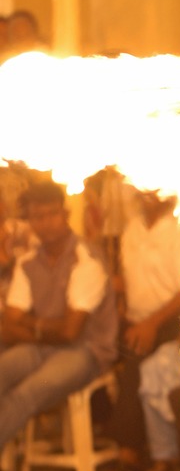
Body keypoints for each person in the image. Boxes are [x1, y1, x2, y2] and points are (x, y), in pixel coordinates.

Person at [0, 182, 117, 451]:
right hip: (42, 347)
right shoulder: (28, 261)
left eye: (52, 214)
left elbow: (71, 332)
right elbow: (9, 325)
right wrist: (43, 329)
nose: (45, 223)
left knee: (27, 393)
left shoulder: (85, 258)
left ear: (64, 214)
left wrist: (31, 325)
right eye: (37, 217)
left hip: (86, 352)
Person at [101, 191, 180, 471]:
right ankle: (132, 439)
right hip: (135, 317)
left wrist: (151, 323)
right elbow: (125, 276)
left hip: (171, 319)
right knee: (101, 350)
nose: (148, 195)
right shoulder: (132, 228)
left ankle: (128, 454)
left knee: (135, 361)